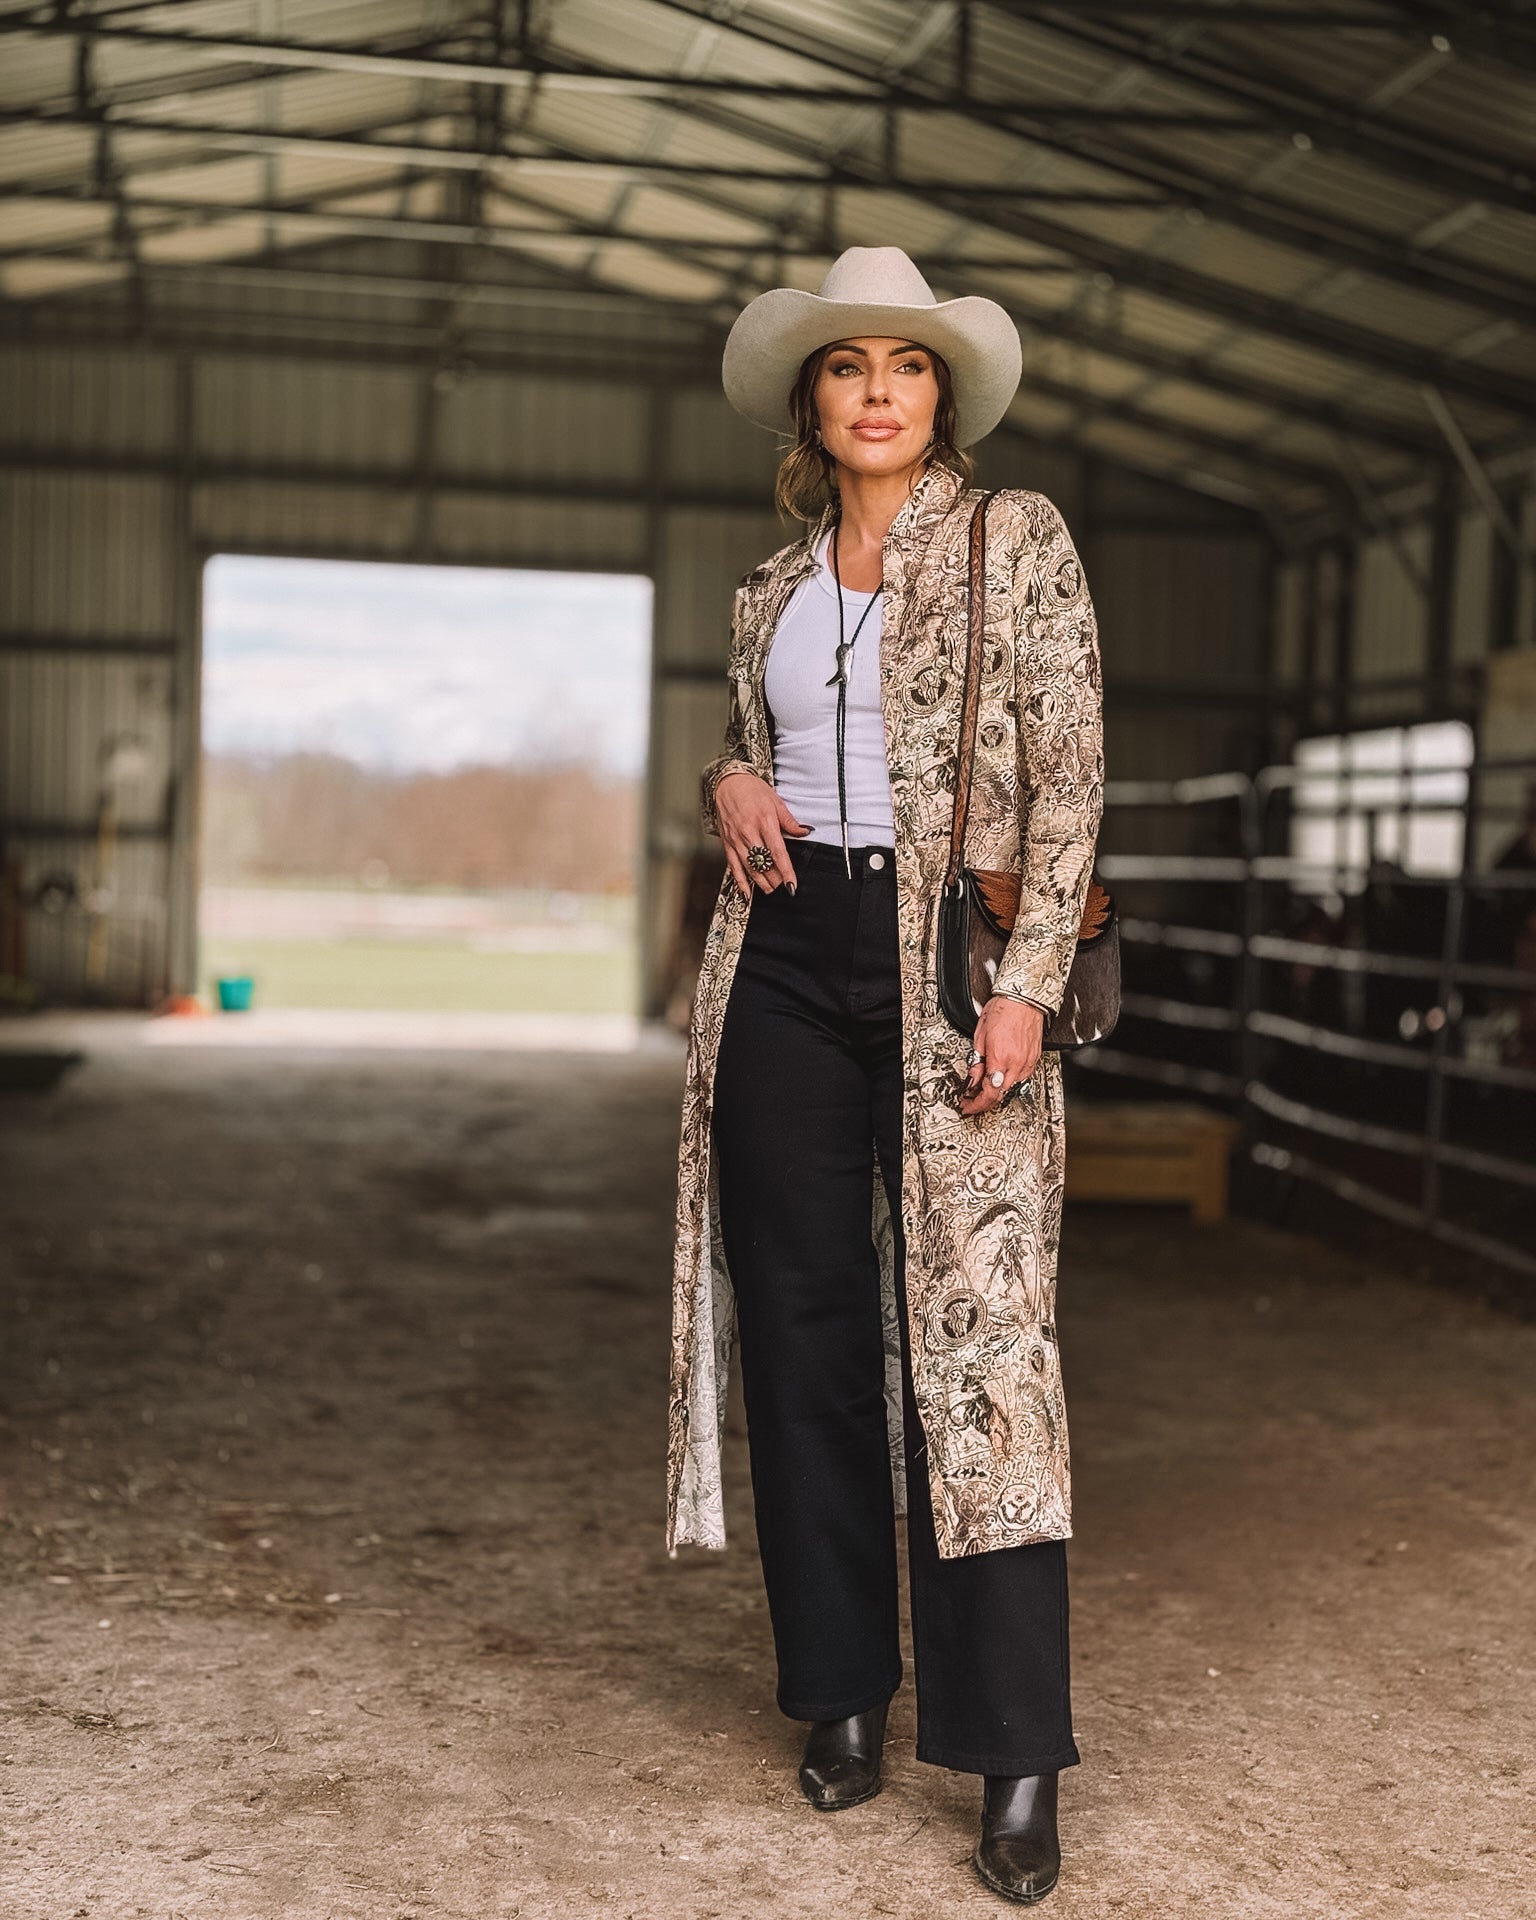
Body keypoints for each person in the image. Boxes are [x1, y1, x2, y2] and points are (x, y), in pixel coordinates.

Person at [666, 246, 1104, 1906]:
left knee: (984, 1346)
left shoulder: (1016, 543)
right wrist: (727, 776)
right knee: (805, 1327)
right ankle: (841, 1688)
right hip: (783, 960)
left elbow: (1068, 781)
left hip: (948, 971)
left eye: (904, 368)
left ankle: (1013, 1761)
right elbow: (755, 746)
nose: (875, 391)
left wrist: (1032, 989)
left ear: (941, 400)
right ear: (811, 403)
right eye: (847, 366)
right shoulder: (769, 593)